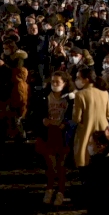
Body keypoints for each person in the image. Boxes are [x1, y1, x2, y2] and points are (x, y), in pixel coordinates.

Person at [35, 71, 75, 206]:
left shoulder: (70, 98)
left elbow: (74, 116)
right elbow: (37, 112)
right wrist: (43, 120)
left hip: (63, 135)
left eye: (57, 82)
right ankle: (49, 188)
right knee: (50, 165)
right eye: (52, 81)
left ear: (64, 83)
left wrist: (66, 123)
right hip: (49, 133)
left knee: (61, 165)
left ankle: (61, 191)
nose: (54, 84)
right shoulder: (44, 96)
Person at [73, 67, 109, 169]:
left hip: (85, 130)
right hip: (103, 130)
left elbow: (76, 118)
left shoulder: (80, 95)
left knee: (85, 159)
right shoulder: (105, 93)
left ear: (86, 79)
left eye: (78, 77)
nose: (76, 80)